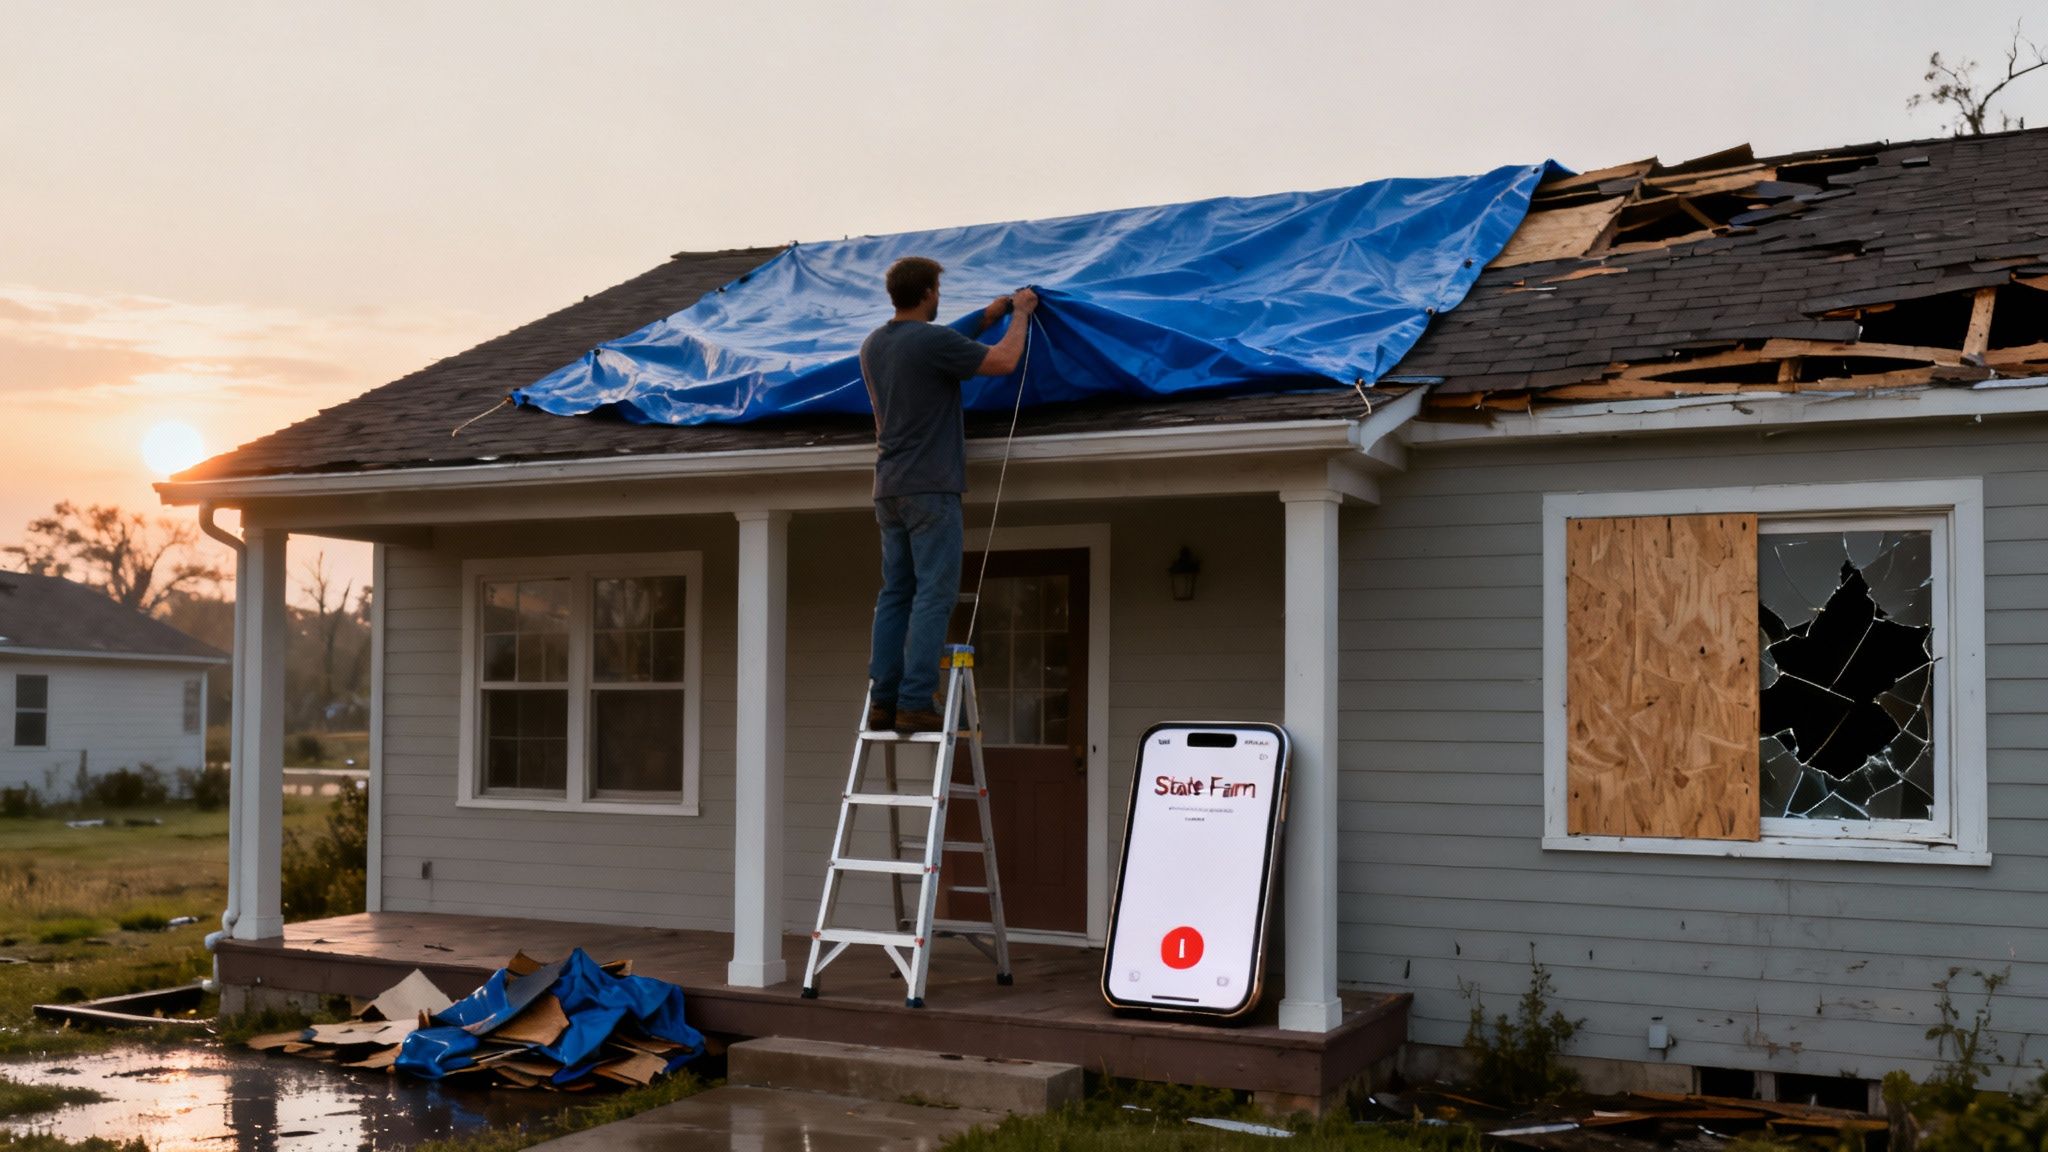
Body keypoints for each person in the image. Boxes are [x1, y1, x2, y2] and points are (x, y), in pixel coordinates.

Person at [861, 256, 1038, 733]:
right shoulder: (932, 341)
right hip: (930, 486)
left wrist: (987, 314)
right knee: (934, 595)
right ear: (926, 294)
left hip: (889, 487)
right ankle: (917, 702)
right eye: (937, 290)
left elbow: (946, 344)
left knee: (896, 592)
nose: (940, 297)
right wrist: (1019, 313)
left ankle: (884, 699)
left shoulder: (874, 344)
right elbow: (1002, 361)